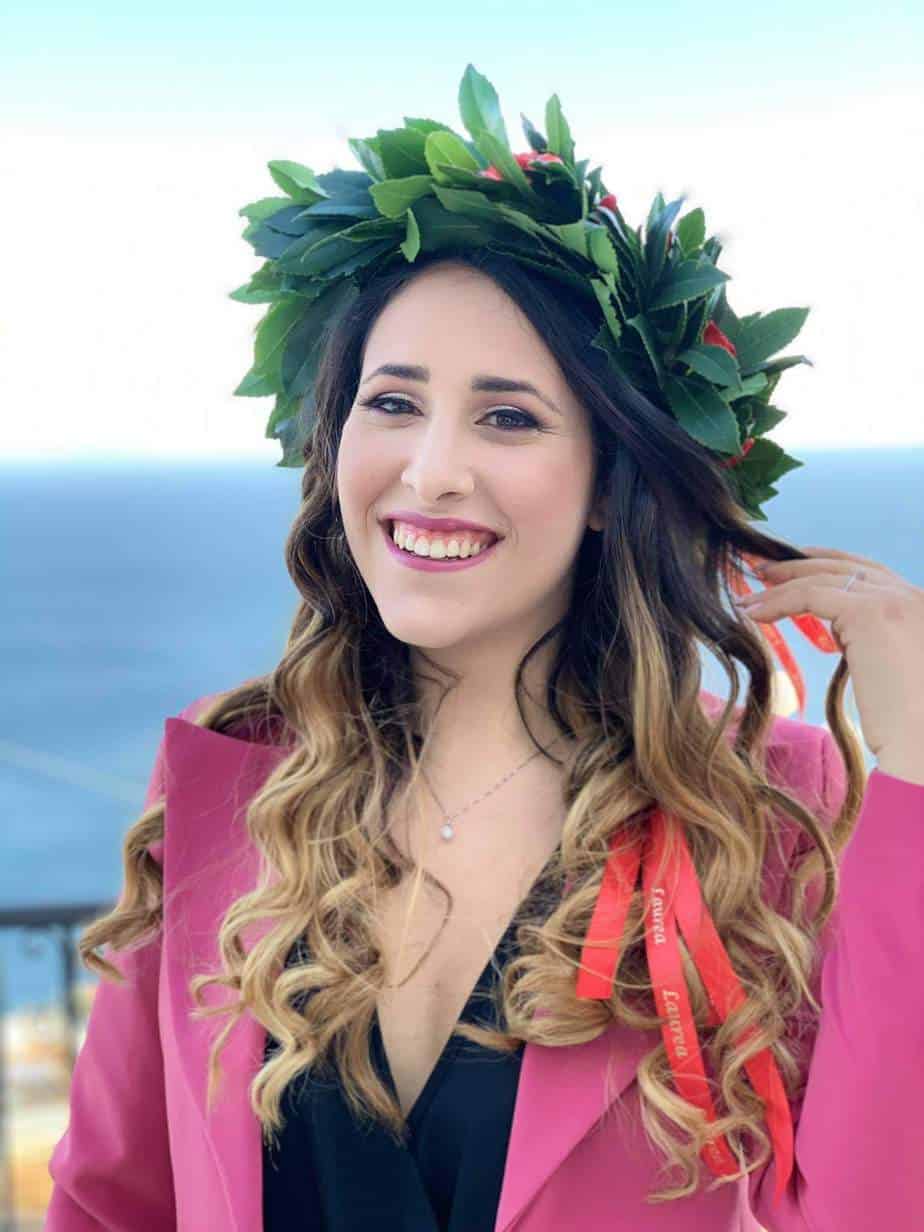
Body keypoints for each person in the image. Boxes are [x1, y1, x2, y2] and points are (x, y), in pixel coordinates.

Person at [45, 68, 924, 1232]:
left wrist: (916, 760)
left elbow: (871, 1207)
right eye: (393, 403)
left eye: (507, 415)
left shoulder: (756, 808)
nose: (431, 471)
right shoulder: (228, 775)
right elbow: (109, 1200)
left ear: (610, 481)